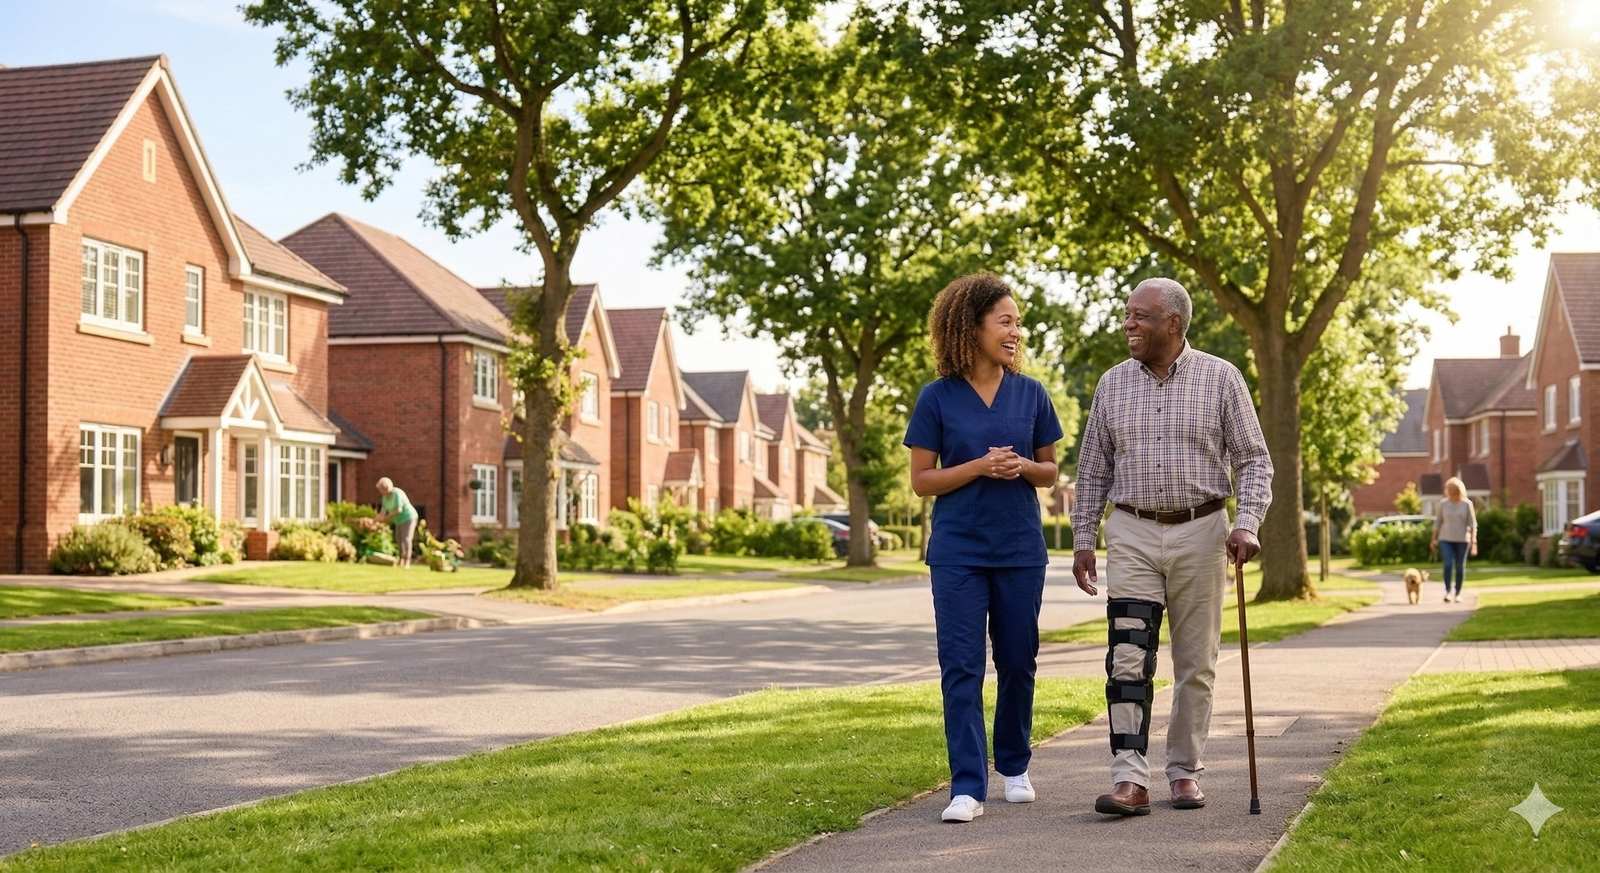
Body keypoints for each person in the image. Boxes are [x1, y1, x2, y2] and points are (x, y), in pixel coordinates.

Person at [1070, 278, 1274, 816]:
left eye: (1139, 316)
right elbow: (1092, 469)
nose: (1127, 324)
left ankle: (1184, 771)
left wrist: (1248, 523)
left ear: (1173, 324)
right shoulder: (1113, 384)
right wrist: (1083, 538)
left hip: (1203, 530)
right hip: (1133, 530)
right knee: (1129, 658)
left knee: (1195, 663)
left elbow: (1254, 459)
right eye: (1127, 315)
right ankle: (1129, 780)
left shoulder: (1221, 378)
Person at [904, 273, 1064, 824]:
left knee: (1018, 661)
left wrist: (1019, 466)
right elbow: (922, 480)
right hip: (958, 553)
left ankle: (1015, 766)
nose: (1016, 331)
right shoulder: (937, 398)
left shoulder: (1032, 393)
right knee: (962, 667)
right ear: (970, 328)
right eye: (1005, 321)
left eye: (1018, 322)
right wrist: (977, 466)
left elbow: (1049, 471)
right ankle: (967, 785)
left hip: (1021, 548)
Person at [1432, 477, 1477, 603]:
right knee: (1447, 564)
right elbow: (1437, 523)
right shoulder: (1443, 504)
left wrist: (1473, 541)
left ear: (1459, 490)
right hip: (1445, 539)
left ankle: (1458, 592)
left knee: (1459, 566)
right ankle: (1447, 591)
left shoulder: (1467, 504)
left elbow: (1473, 524)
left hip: (1462, 540)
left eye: (1453, 490)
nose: (1451, 492)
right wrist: (1433, 540)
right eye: (1449, 489)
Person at [375, 477, 418, 569]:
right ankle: (401, 559)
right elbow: (383, 512)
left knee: (406, 539)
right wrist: (375, 520)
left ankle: (407, 561)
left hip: (409, 517)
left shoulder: (397, 493)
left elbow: (398, 510)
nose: (380, 491)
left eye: (380, 489)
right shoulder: (385, 498)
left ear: (385, 488)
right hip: (398, 520)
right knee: (399, 539)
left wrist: (386, 518)